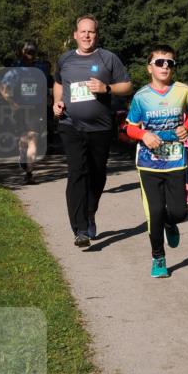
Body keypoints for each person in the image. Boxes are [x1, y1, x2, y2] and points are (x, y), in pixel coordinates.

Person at [53, 16, 132, 247]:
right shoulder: (65, 59)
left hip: (101, 128)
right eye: (83, 31)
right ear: (75, 35)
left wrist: (107, 88)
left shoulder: (108, 58)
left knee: (97, 174)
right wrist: (57, 102)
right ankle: (80, 230)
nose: (87, 35)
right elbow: (58, 83)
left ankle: (89, 212)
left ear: (97, 35)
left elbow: (127, 86)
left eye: (91, 32)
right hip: (70, 125)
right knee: (76, 172)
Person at [125, 46, 188, 279]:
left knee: (179, 212)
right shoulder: (141, 97)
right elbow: (129, 127)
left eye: (169, 63)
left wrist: (186, 127)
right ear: (149, 68)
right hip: (148, 164)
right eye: (160, 62)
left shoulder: (183, 91)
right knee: (154, 212)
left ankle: (171, 224)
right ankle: (158, 257)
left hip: (175, 162)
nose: (165, 66)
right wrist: (143, 135)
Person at [0, 41, 51, 183]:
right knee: (28, 139)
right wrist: (12, 103)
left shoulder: (19, 71)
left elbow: (1, 88)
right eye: (29, 52)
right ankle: (27, 168)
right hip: (24, 109)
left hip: (29, 109)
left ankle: (27, 169)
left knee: (29, 139)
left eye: (32, 52)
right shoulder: (24, 71)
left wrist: (11, 102)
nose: (30, 55)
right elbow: (1, 87)